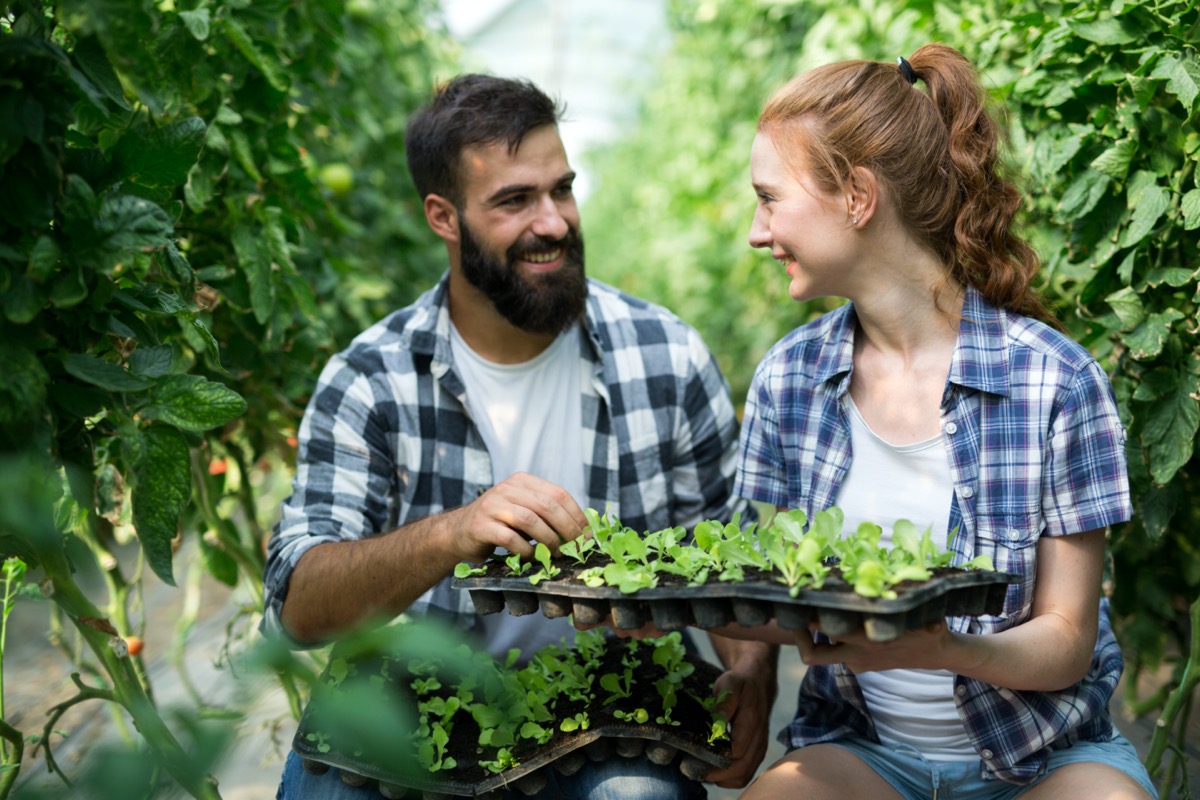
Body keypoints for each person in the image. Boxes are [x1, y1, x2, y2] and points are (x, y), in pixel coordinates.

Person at [261, 74, 777, 799]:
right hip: (413, 700)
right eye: (514, 201)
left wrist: (751, 668)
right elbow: (300, 607)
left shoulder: (664, 355)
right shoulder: (371, 378)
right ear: (444, 217)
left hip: (611, 705)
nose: (555, 222)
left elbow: (728, 548)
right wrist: (453, 534)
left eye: (561, 189)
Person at [723, 44, 1157, 799]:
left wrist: (940, 649)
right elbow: (759, 596)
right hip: (862, 753)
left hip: (1042, 759)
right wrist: (653, 612)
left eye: (770, 198)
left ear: (857, 197)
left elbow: (1065, 642)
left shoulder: (1054, 380)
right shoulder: (788, 382)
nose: (758, 234)